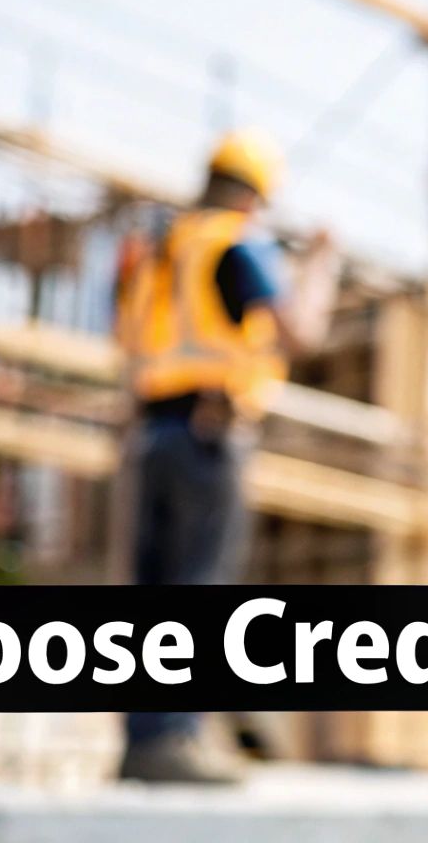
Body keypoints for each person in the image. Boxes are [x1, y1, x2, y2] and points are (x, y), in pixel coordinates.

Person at [112, 128, 339, 783]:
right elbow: (301, 332)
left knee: (152, 594)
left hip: (149, 433)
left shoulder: (158, 250)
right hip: (211, 433)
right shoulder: (237, 243)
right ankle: (175, 741)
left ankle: (142, 743)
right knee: (198, 587)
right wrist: (321, 264)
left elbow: (127, 342)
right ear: (254, 197)